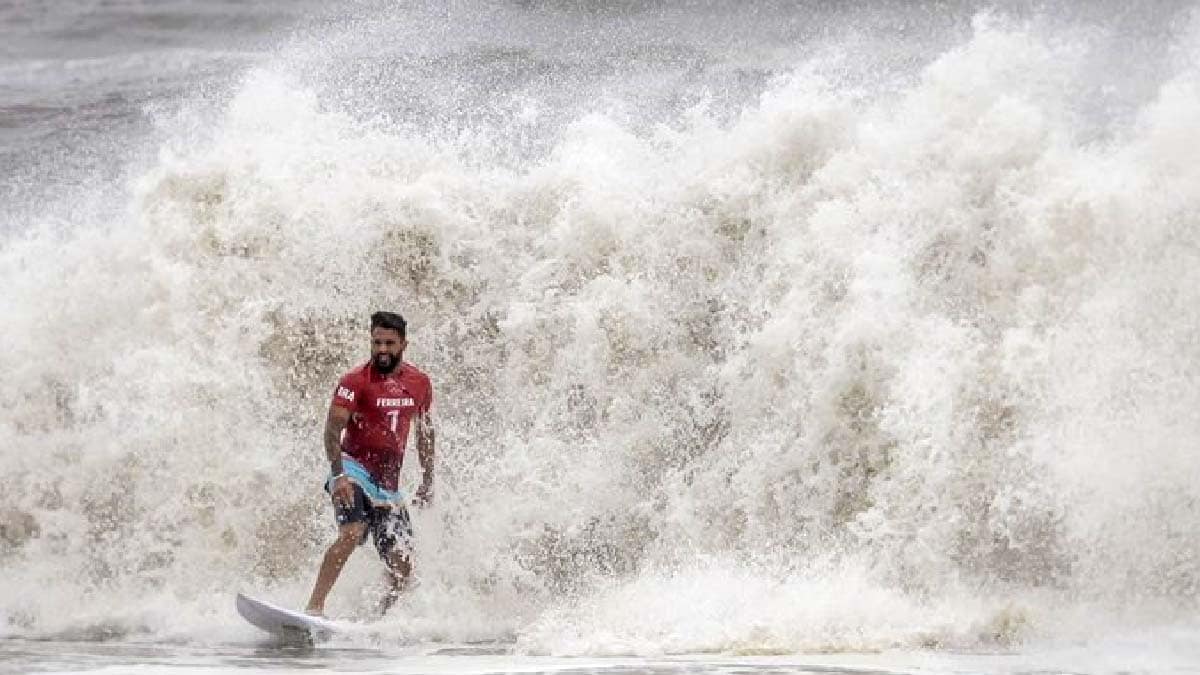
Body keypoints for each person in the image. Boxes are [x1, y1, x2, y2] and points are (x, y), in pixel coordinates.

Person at [305, 311, 435, 617]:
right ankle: (314, 607)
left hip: (387, 484)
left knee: (403, 564)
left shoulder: (419, 383)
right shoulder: (354, 382)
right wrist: (338, 475)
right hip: (354, 469)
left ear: (404, 343)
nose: (382, 350)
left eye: (389, 343)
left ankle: (379, 619)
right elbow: (332, 429)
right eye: (377, 342)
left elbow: (426, 432)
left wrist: (428, 479)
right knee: (352, 531)